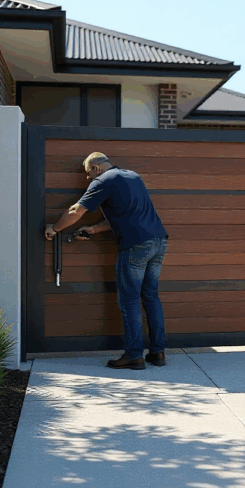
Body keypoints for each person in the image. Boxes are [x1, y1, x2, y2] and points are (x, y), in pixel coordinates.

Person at [45, 152, 168, 370]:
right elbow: (125, 215)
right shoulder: (132, 176)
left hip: (135, 246)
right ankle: (158, 353)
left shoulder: (103, 180)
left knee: (129, 301)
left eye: (87, 173)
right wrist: (93, 229)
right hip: (157, 242)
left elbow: (76, 211)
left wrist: (54, 228)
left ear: (96, 168)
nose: (87, 179)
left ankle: (134, 355)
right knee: (151, 297)